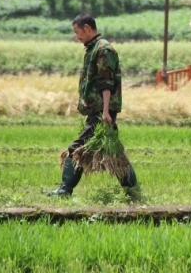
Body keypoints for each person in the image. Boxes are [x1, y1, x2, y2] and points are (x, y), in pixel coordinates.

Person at [48, 14, 137, 197]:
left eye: (77, 32)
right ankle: (131, 189)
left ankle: (65, 190)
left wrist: (105, 112)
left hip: (101, 110)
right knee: (113, 151)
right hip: (97, 109)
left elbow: (106, 83)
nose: (76, 36)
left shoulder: (103, 49)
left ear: (87, 28)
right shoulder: (93, 48)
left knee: (77, 149)